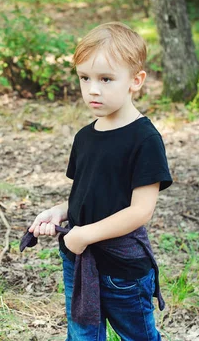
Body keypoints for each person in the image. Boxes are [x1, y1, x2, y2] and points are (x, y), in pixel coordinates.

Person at [27, 22, 173, 340]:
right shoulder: (85, 137)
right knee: (82, 335)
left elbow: (140, 211)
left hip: (121, 269)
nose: (93, 89)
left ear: (136, 81)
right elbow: (88, 195)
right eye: (85, 78)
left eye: (106, 79)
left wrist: (87, 234)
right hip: (79, 259)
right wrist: (59, 212)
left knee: (138, 336)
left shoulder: (144, 139)